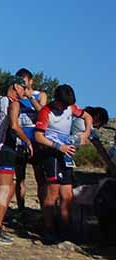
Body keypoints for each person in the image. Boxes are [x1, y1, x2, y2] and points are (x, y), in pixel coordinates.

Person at [34, 84, 93, 244]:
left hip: (66, 154)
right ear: (56, 100)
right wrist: (58, 147)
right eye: (64, 105)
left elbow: (87, 116)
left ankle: (66, 228)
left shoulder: (70, 107)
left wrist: (86, 132)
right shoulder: (46, 112)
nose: (66, 108)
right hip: (51, 154)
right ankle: (49, 229)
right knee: (53, 193)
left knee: (67, 195)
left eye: (68, 105)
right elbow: (38, 136)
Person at [0, 78, 36, 245]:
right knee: (4, 190)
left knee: (9, 187)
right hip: (5, 149)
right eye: (24, 88)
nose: (25, 92)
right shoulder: (14, 103)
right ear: (16, 86)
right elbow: (14, 125)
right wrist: (27, 141)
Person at [13, 68, 49, 224]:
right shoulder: (16, 96)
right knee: (19, 178)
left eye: (24, 80)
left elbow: (43, 112)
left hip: (36, 141)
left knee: (40, 178)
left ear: (31, 81)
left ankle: (44, 211)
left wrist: (30, 97)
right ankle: (21, 210)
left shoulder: (40, 95)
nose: (22, 83)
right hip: (20, 141)